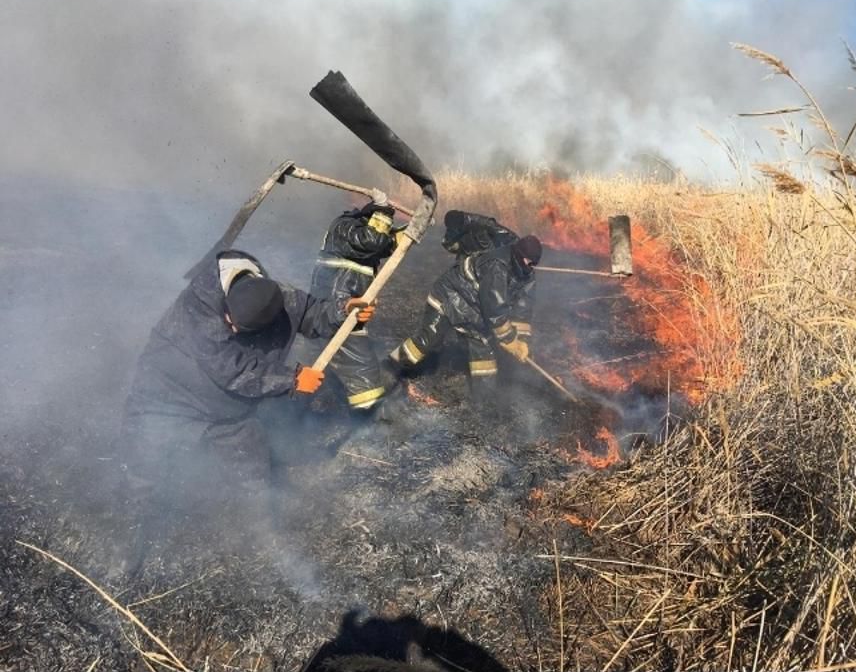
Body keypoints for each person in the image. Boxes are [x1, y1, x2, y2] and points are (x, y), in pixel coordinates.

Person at [116, 248, 372, 576]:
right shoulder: (200, 303)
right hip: (164, 399)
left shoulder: (278, 298)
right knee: (142, 471)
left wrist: (342, 312)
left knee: (252, 467)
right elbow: (232, 370)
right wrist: (293, 379)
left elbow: (311, 313)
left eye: (240, 328)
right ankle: (128, 546)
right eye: (230, 321)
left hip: (225, 411)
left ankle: (263, 532)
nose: (231, 329)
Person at [388, 234, 541, 399]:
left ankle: (485, 400)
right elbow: (495, 309)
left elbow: (523, 308)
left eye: (534, 263)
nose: (530, 266)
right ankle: (390, 368)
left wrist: (522, 340)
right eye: (528, 261)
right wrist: (510, 340)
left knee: (484, 358)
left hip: (475, 313)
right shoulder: (497, 264)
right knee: (427, 340)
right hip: (450, 299)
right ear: (518, 255)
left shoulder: (527, 275)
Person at [291, 202, 402, 416]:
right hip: (338, 308)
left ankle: (297, 405)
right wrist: (384, 213)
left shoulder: (357, 233)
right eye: (379, 222)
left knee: (317, 360)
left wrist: (413, 230)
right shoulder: (345, 226)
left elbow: (385, 245)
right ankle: (371, 422)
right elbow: (372, 241)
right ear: (371, 219)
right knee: (364, 375)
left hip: (340, 306)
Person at [440, 209, 518, 260]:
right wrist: (455, 246)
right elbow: (448, 243)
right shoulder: (453, 227)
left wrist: (518, 246)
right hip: (471, 256)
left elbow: (505, 234)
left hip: (490, 252)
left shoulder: (481, 223)